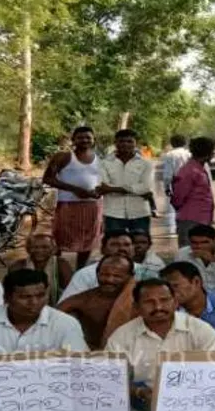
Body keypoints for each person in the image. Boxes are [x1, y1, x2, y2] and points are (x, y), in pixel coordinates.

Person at [0, 269, 88, 411]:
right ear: (6, 297)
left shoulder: (66, 324)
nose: (34, 302)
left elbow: (77, 371)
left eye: (41, 295)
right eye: (25, 297)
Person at [104, 279, 215, 411]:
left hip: (194, 401)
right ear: (136, 307)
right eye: (149, 302)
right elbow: (111, 380)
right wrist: (139, 392)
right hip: (145, 405)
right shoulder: (122, 336)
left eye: (164, 300)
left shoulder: (200, 329)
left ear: (175, 302)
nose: (158, 307)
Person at [42, 125, 104, 265]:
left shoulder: (99, 159)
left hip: (93, 206)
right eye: (80, 137)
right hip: (68, 205)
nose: (84, 140)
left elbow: (103, 181)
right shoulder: (63, 157)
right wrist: (75, 190)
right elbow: (47, 178)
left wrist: (98, 191)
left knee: (88, 240)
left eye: (88, 137)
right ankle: (55, 269)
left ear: (93, 140)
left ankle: (79, 271)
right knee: (60, 239)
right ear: (73, 140)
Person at [57, 254, 138, 349]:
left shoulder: (139, 298)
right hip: (94, 353)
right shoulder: (84, 299)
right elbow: (52, 316)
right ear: (97, 273)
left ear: (130, 276)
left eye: (117, 276)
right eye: (104, 275)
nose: (109, 280)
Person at [57, 231, 159, 301]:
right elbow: (67, 303)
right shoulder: (85, 274)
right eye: (115, 245)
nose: (122, 249)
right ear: (103, 249)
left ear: (133, 249)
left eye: (127, 245)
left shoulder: (146, 273)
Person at [99, 128, 155, 234]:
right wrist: (137, 191)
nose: (125, 144)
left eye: (129, 141)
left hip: (139, 212)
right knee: (114, 243)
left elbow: (146, 187)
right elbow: (103, 187)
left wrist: (113, 189)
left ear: (136, 143)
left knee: (140, 242)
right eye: (121, 141)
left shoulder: (146, 163)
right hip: (113, 213)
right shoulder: (104, 163)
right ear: (115, 143)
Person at [170, 137, 215, 246]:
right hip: (190, 220)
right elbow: (178, 197)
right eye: (213, 151)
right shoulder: (190, 170)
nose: (214, 154)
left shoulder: (198, 168)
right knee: (189, 252)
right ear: (207, 153)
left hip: (202, 219)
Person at [8, 234, 75, 305]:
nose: (39, 250)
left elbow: (71, 291)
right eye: (35, 247)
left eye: (45, 247)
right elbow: (10, 292)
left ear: (54, 249)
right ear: (28, 249)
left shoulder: (61, 264)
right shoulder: (18, 266)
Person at [161, 135, 191, 233]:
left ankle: (178, 226)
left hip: (177, 183)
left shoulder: (170, 155)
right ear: (185, 143)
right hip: (190, 182)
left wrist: (166, 187)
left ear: (172, 143)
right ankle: (187, 226)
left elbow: (168, 174)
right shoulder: (189, 154)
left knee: (177, 205)